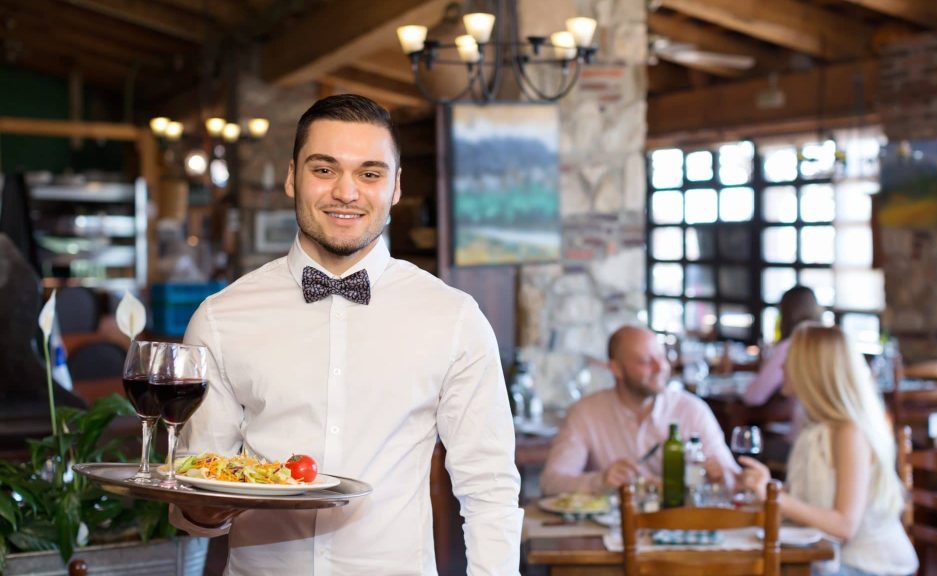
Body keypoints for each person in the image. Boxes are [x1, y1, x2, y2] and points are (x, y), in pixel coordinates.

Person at [169, 94, 522, 575]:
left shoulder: (454, 318)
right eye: (324, 169)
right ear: (293, 177)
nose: (347, 192)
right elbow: (200, 482)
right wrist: (199, 510)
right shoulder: (220, 318)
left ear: (396, 187)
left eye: (370, 173)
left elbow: (490, 488)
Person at [739, 325, 918, 576]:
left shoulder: (849, 432)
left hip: (870, 567)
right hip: (830, 559)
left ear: (809, 370)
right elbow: (812, 498)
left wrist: (776, 498)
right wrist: (768, 487)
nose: (781, 368)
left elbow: (844, 526)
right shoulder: (814, 425)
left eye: (789, 361)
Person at [539, 325, 739, 496]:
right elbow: (551, 483)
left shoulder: (692, 410)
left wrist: (722, 477)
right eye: (645, 361)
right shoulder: (585, 413)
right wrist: (600, 482)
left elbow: (733, 478)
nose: (660, 367)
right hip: (608, 532)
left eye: (662, 357)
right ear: (616, 369)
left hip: (680, 529)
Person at [742, 285, 822, 407]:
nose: (783, 366)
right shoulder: (822, 344)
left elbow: (754, 396)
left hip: (796, 421)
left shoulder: (790, 346)